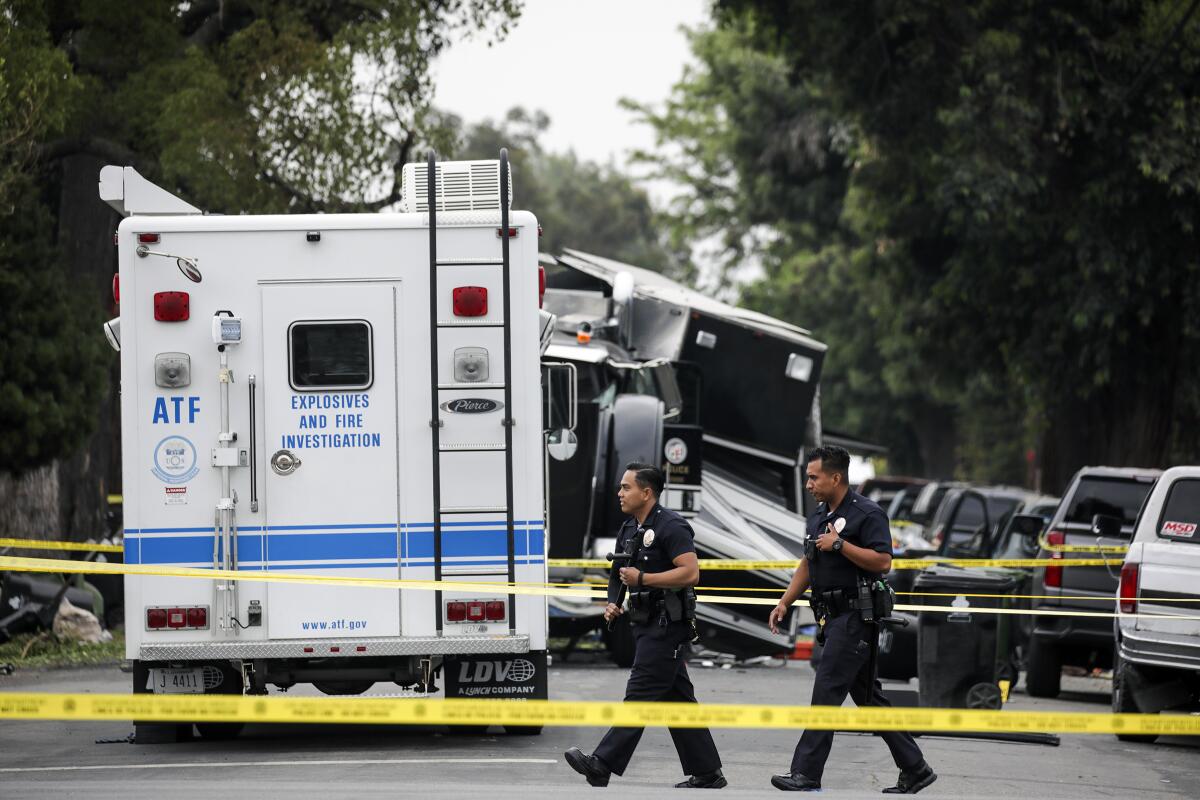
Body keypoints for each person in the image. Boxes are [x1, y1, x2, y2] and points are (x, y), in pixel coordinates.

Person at [767, 446, 936, 794]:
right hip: (831, 618)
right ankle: (916, 768)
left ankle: (805, 773)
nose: (808, 483)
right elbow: (807, 563)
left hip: (856, 619)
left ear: (836, 477)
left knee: (826, 691)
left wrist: (841, 545)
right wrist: (785, 602)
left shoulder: (867, 513)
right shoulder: (817, 517)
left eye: (814, 477)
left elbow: (883, 562)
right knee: (869, 701)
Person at [565, 462, 726, 789]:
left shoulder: (672, 526)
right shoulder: (629, 529)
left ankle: (602, 763)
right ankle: (708, 772)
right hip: (644, 624)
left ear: (647, 492)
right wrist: (613, 601)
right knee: (678, 699)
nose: (620, 493)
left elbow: (691, 573)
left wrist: (645, 578)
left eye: (626, 487)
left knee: (638, 694)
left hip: (668, 626)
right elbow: (618, 573)